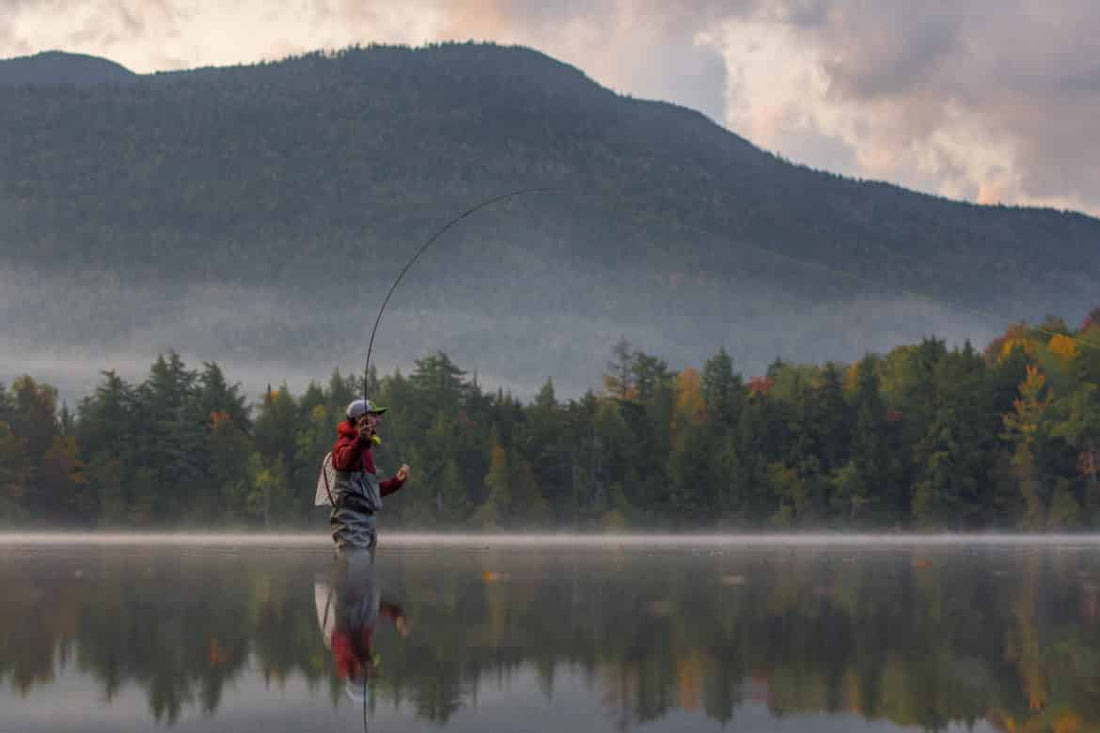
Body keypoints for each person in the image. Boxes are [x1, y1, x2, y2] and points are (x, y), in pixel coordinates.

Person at [330, 398, 410, 550]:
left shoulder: (362, 448)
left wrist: (396, 482)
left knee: (363, 569)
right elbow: (344, 462)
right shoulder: (344, 443)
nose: (378, 420)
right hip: (350, 519)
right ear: (360, 419)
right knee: (354, 566)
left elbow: (368, 491)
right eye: (373, 416)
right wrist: (360, 440)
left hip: (366, 521)